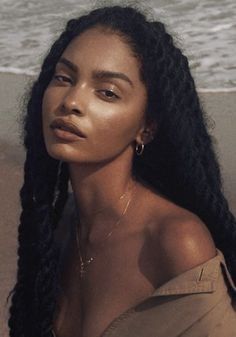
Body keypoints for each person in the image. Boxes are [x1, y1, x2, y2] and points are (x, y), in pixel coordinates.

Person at [8, 4, 236, 337]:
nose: (71, 100)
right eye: (64, 78)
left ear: (146, 127)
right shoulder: (61, 228)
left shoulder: (175, 241)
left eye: (107, 92)